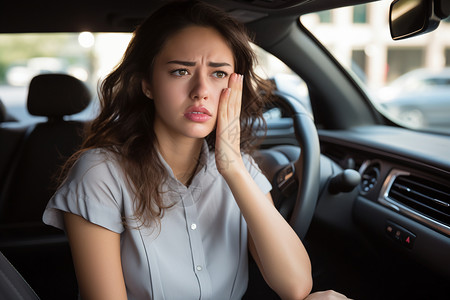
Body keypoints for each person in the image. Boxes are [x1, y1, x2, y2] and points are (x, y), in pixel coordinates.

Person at [43, 1, 349, 299]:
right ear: (146, 84)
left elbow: (295, 287)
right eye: (180, 71)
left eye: (218, 74)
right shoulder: (99, 174)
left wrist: (233, 169)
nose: (201, 90)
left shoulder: (240, 168)